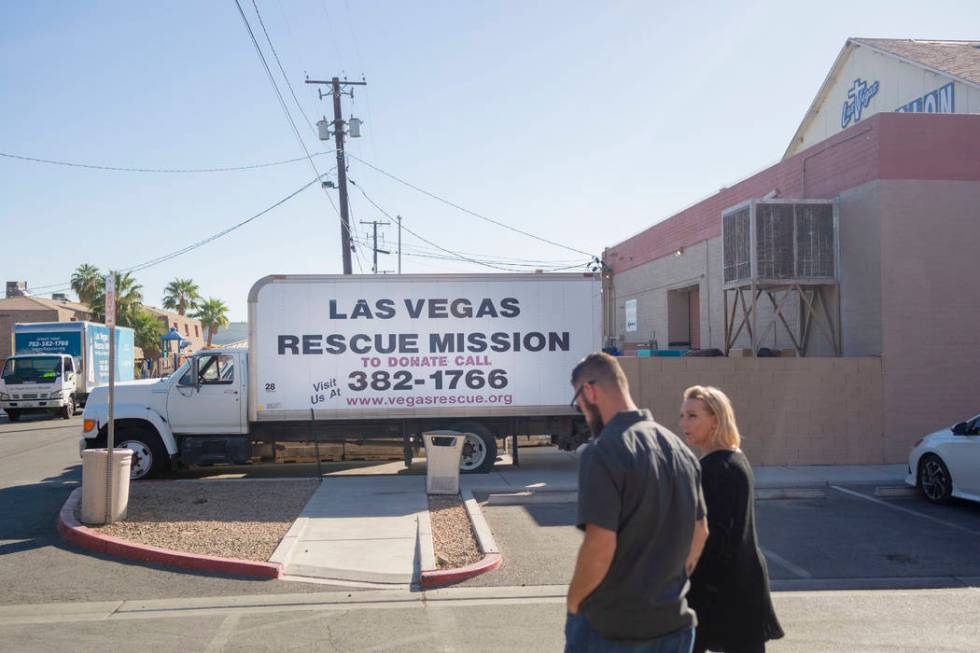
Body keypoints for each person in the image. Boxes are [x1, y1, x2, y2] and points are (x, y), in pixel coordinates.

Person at [566, 353, 709, 652]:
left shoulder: (603, 451)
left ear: (590, 392)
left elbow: (600, 545)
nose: (581, 411)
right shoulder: (679, 449)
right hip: (675, 625)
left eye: (578, 402)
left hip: (613, 629)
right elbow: (700, 532)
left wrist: (574, 602)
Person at [679, 386, 784, 653]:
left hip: (723, 589)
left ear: (715, 419)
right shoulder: (733, 459)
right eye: (682, 416)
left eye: (692, 416)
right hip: (736, 584)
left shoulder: (718, 468)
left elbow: (715, 538)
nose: (683, 423)